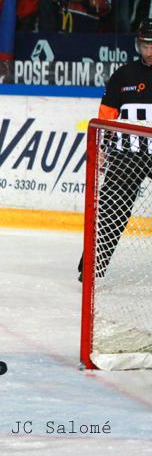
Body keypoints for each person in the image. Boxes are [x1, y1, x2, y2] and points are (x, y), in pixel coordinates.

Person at [78, 18, 152, 282]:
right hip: (127, 153)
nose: (148, 52)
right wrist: (101, 149)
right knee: (111, 210)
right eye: (144, 45)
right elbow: (106, 117)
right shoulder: (124, 75)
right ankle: (91, 267)